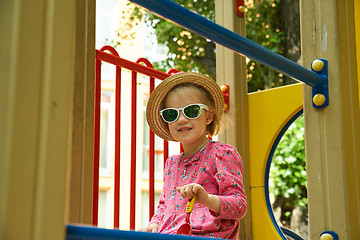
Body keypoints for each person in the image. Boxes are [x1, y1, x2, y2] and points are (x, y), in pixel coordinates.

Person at [141, 72, 247, 239]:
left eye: (191, 111)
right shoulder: (172, 163)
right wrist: (154, 224)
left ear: (209, 116)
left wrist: (206, 199)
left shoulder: (221, 154)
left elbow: (239, 206)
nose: (182, 119)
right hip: (170, 234)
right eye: (172, 114)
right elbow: (164, 205)